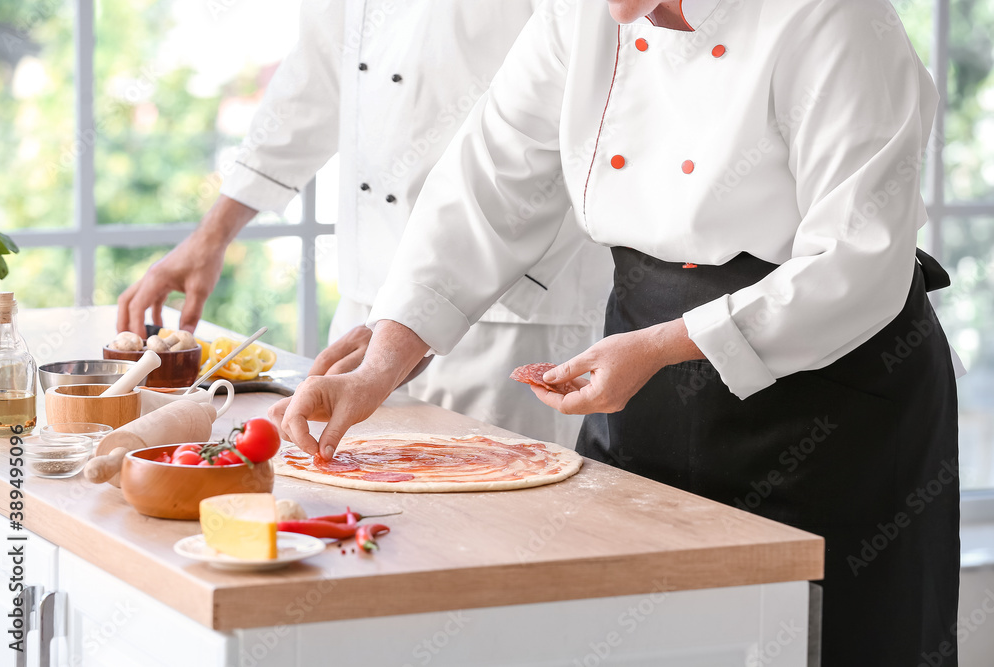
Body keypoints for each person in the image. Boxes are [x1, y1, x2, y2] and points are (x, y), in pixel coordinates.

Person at [267, 0, 961, 665]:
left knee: (835, 638)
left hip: (831, 398)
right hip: (647, 382)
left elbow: (857, 260)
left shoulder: (835, 18)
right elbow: (486, 187)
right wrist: (380, 362)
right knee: (634, 632)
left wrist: (661, 346)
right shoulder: (580, 14)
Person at [115, 0, 613, 448]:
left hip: (507, 311)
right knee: (355, 505)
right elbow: (313, 79)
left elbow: (568, 107)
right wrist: (212, 234)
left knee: (495, 520)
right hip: (367, 297)